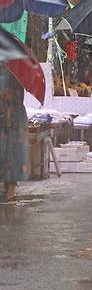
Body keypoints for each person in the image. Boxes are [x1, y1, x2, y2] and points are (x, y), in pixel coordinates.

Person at [0, 64, 28, 202]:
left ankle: (10, 188)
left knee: (11, 152)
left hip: (13, 115)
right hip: (4, 112)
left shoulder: (15, 66)